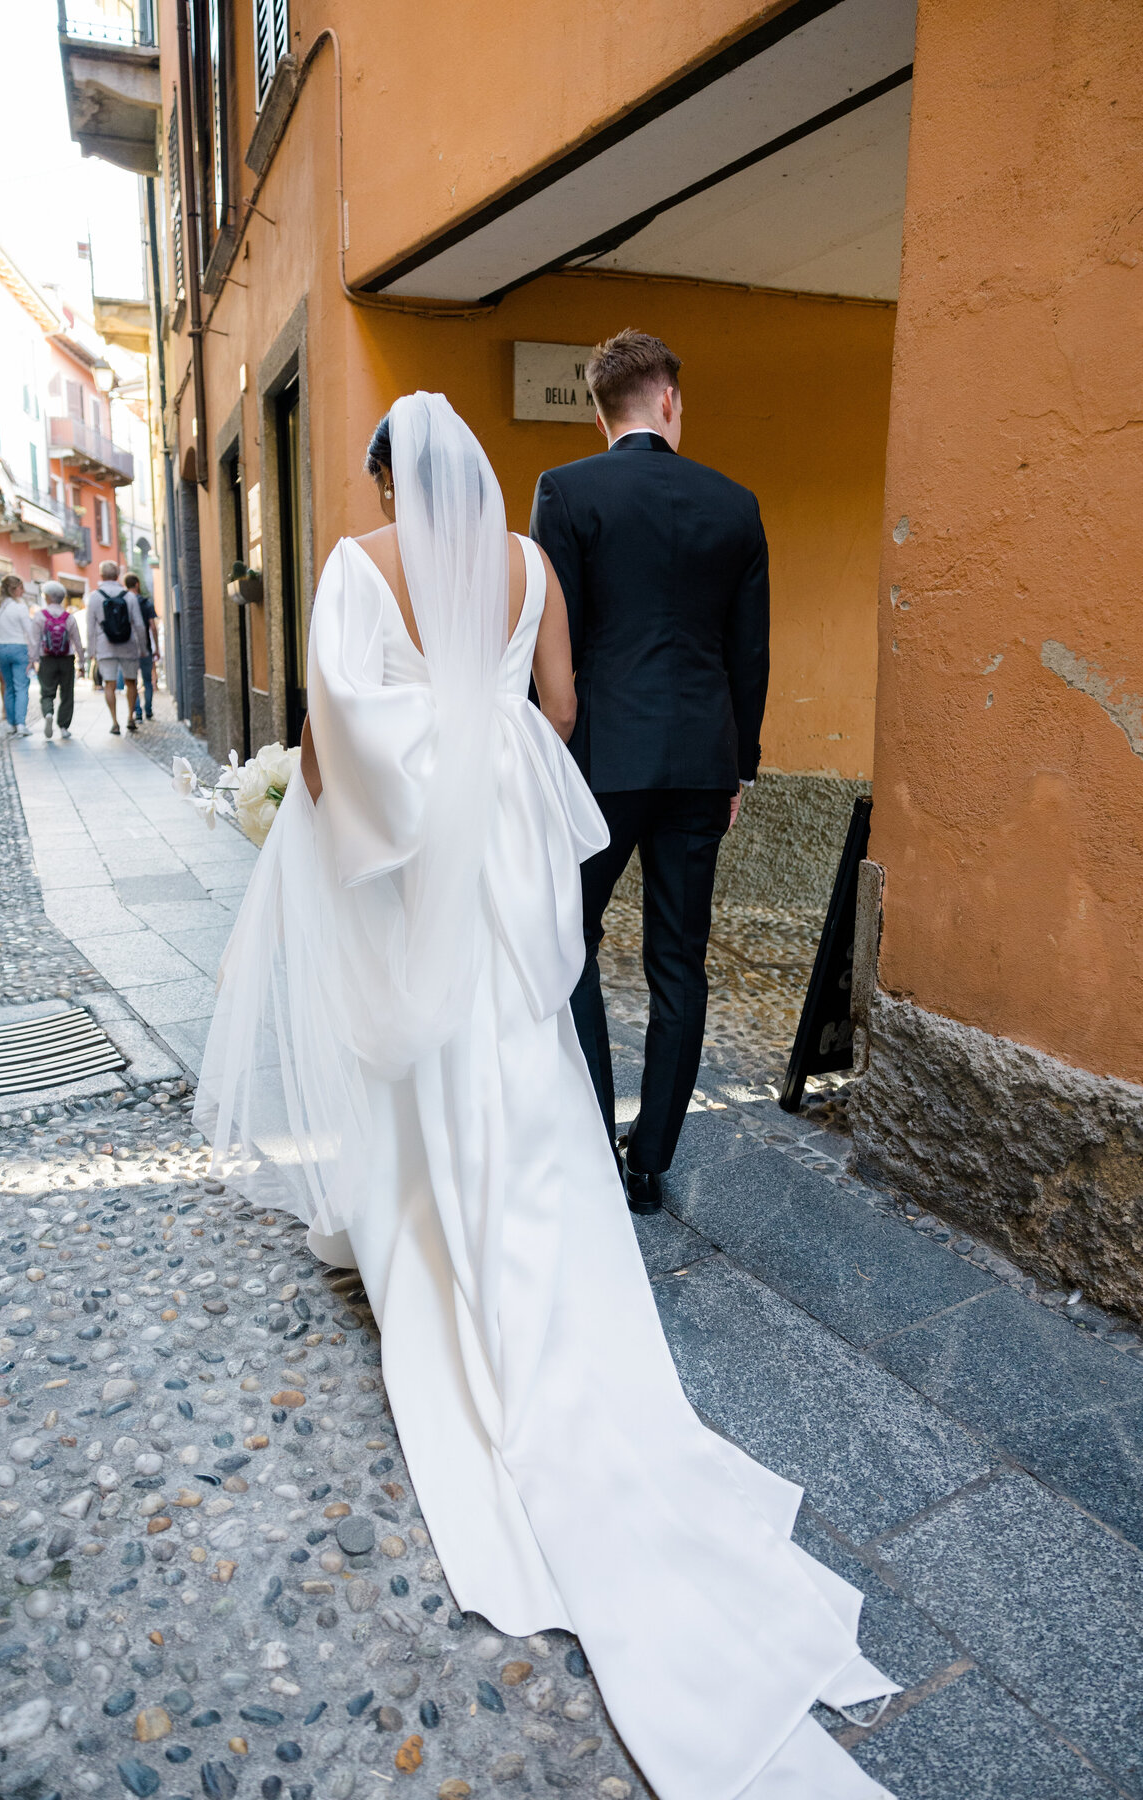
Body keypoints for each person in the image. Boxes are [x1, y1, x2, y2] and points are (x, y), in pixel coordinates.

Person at [193, 392, 895, 1800]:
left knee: (426, 1051)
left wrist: (309, 811)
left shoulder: (353, 566)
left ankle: (433, 1262)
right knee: (526, 1045)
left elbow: (333, 734)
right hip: (510, 838)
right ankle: (549, 1247)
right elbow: (560, 711)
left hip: (409, 848)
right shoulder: (532, 564)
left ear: (394, 480)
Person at [531, 329, 769, 1215]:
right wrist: (738, 766)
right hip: (702, 762)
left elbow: (557, 639)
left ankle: (594, 1133)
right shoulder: (735, 505)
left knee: (568, 941)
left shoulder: (567, 491)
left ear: (602, 412)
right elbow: (750, 652)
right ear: (668, 400)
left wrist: (544, 756)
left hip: (601, 762)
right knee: (681, 962)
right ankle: (650, 1159)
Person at [85, 560, 147, 734]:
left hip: (105, 646)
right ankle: (130, 717)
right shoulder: (129, 597)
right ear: (118, 575)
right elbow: (139, 625)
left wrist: (91, 651)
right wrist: (143, 648)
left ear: (101, 575)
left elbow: (90, 626)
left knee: (109, 684)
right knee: (131, 682)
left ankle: (114, 721)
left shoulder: (95, 597)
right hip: (128, 645)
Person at [30, 580, 85, 739]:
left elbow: (34, 640)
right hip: (66, 658)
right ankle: (64, 727)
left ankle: (48, 713)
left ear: (47, 597)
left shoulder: (40, 616)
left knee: (47, 692)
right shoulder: (69, 617)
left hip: (47, 659)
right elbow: (77, 641)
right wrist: (81, 662)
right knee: (67, 692)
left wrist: (32, 661)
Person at [0, 575, 34, 736]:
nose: (23, 591)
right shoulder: (19, 607)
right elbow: (29, 630)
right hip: (19, 647)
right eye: (21, 588)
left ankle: (11, 723)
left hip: (1, 648)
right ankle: (21, 724)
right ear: (13, 589)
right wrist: (34, 653)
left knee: (9, 687)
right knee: (21, 687)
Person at [123, 572, 159, 720]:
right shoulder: (146, 603)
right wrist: (156, 647)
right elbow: (153, 627)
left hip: (129, 649)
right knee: (147, 681)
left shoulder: (123, 602)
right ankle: (148, 711)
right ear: (137, 584)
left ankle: (137, 712)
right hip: (146, 648)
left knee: (132, 682)